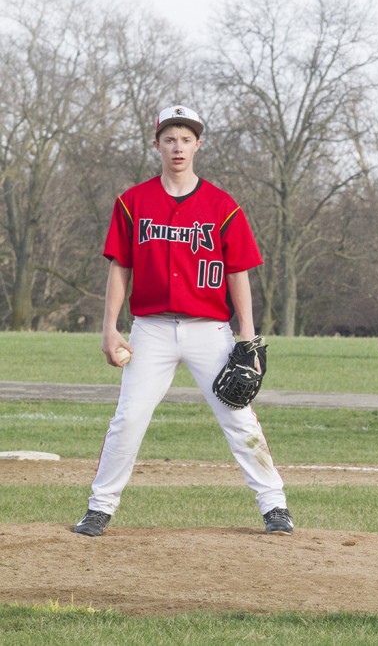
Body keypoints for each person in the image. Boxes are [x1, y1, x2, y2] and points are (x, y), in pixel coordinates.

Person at [73, 105, 293, 538]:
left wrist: (246, 335)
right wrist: (109, 326)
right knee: (129, 417)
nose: (178, 147)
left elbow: (238, 273)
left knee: (238, 416)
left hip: (209, 330)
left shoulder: (222, 206)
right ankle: (100, 507)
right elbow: (120, 266)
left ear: (198, 145)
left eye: (186, 138)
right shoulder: (132, 202)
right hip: (151, 329)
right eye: (170, 138)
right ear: (156, 144)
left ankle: (275, 507)